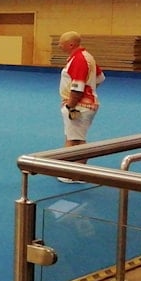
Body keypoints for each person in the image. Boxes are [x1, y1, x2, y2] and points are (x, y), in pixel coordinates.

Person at [57, 31, 105, 183]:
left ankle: (76, 174)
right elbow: (100, 78)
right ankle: (74, 171)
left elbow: (77, 87)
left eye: (61, 42)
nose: (59, 45)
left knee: (76, 141)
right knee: (73, 137)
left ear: (71, 44)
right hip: (84, 104)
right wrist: (91, 89)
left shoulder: (78, 60)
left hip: (78, 106)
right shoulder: (85, 57)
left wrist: (70, 105)